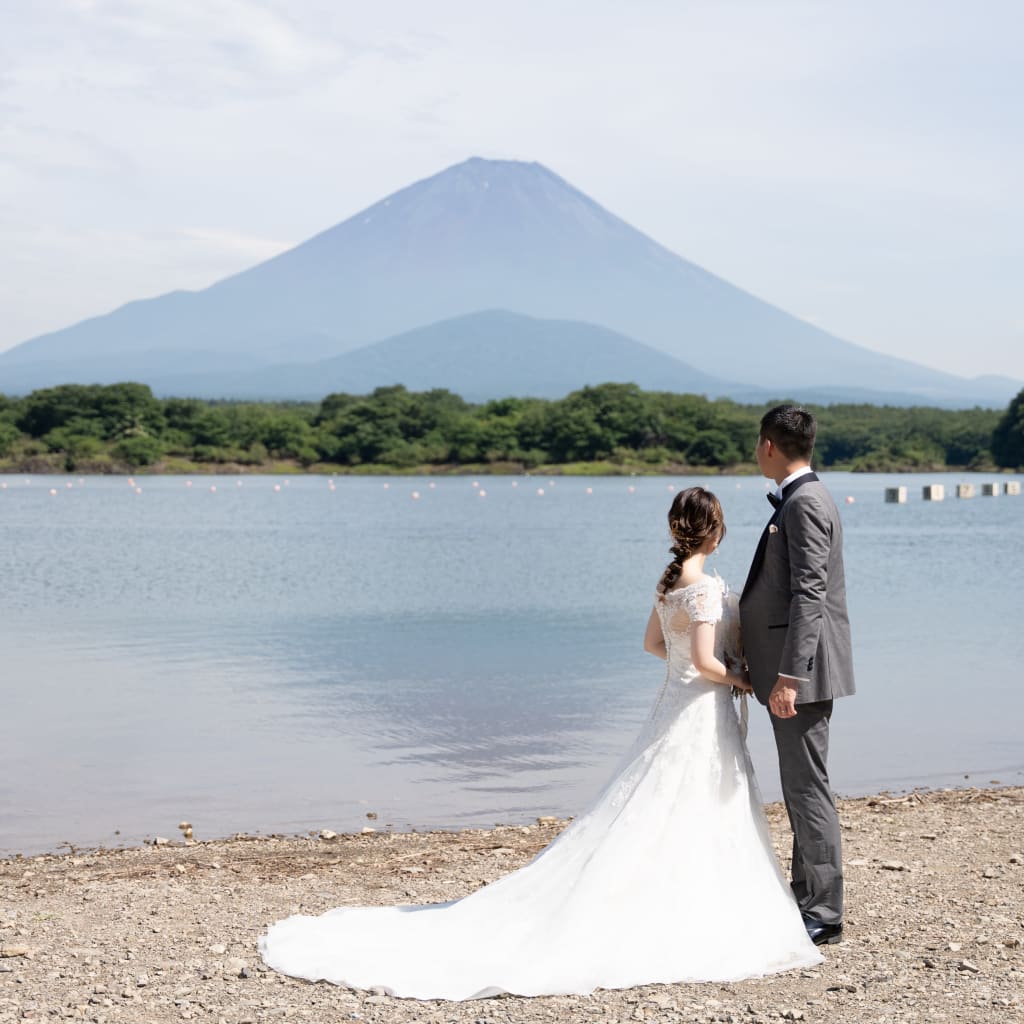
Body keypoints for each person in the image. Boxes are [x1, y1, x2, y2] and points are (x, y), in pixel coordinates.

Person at [258, 487, 822, 999]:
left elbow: (654, 645)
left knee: (655, 801)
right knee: (700, 801)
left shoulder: (670, 584)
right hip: (702, 709)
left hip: (672, 704)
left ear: (676, 531)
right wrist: (743, 677)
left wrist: (695, 668)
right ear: (716, 532)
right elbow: (705, 663)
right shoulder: (703, 588)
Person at [740, 405, 856, 947]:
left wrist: (789, 675)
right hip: (794, 670)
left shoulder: (806, 501)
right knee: (800, 786)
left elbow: (811, 592)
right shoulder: (803, 496)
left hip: (801, 673)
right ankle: (805, 892)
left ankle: (825, 911)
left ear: (768, 445)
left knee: (808, 790)